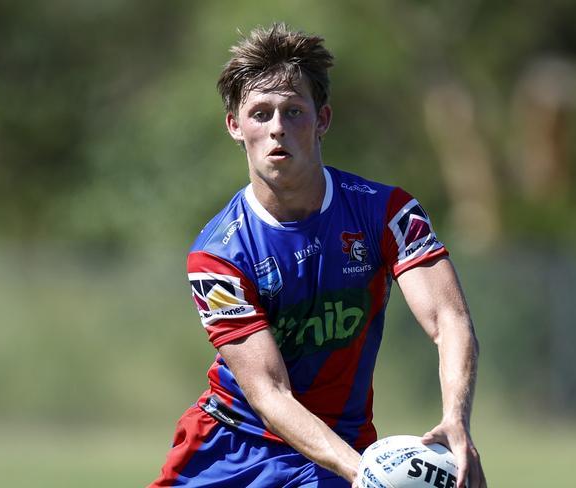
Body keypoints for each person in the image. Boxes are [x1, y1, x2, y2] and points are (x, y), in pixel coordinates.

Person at [148, 23, 486, 488]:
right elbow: (269, 392)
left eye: (293, 111)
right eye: (260, 113)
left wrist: (456, 423)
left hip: (342, 442)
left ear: (322, 119)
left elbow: (448, 317)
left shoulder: (386, 212)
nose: (277, 128)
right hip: (233, 446)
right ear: (234, 125)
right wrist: (365, 474)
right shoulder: (218, 255)